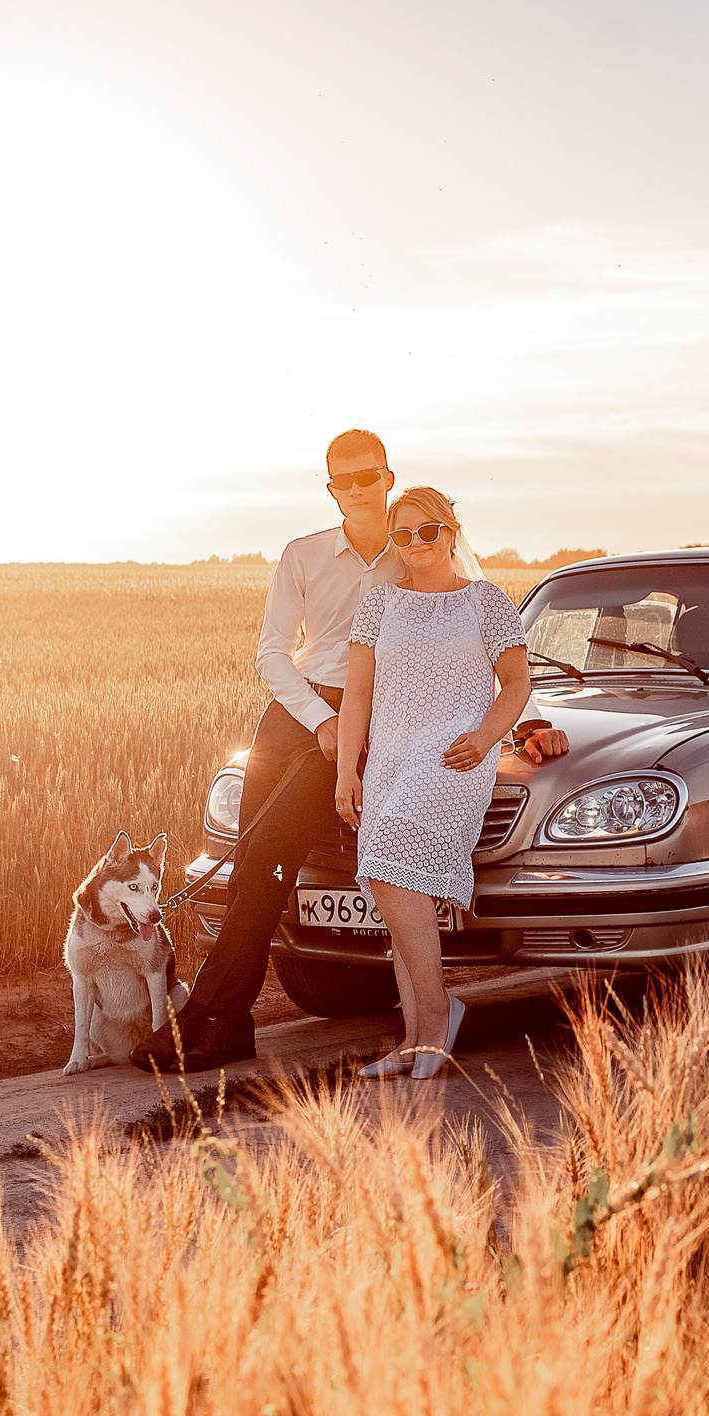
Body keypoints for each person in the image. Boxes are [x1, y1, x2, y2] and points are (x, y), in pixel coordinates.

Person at [132, 432, 567, 1071]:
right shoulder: (304, 555)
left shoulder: (410, 555)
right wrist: (319, 720)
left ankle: (213, 1017)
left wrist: (524, 724)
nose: (358, 489)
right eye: (344, 481)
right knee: (251, 859)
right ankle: (226, 1021)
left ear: (389, 477)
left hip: (366, 720)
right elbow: (273, 654)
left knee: (274, 850)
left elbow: (473, 653)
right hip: (295, 718)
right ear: (332, 488)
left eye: (369, 477)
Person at [335, 486, 532, 1078]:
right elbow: (358, 695)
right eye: (404, 535)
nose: (417, 544)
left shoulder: (486, 602)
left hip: (454, 759)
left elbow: (518, 684)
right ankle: (415, 1039)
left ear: (451, 532)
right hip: (391, 760)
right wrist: (349, 771)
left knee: (393, 861)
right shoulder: (379, 605)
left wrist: (486, 736)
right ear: (394, 543)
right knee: (398, 890)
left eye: (428, 531)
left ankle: (436, 1018)